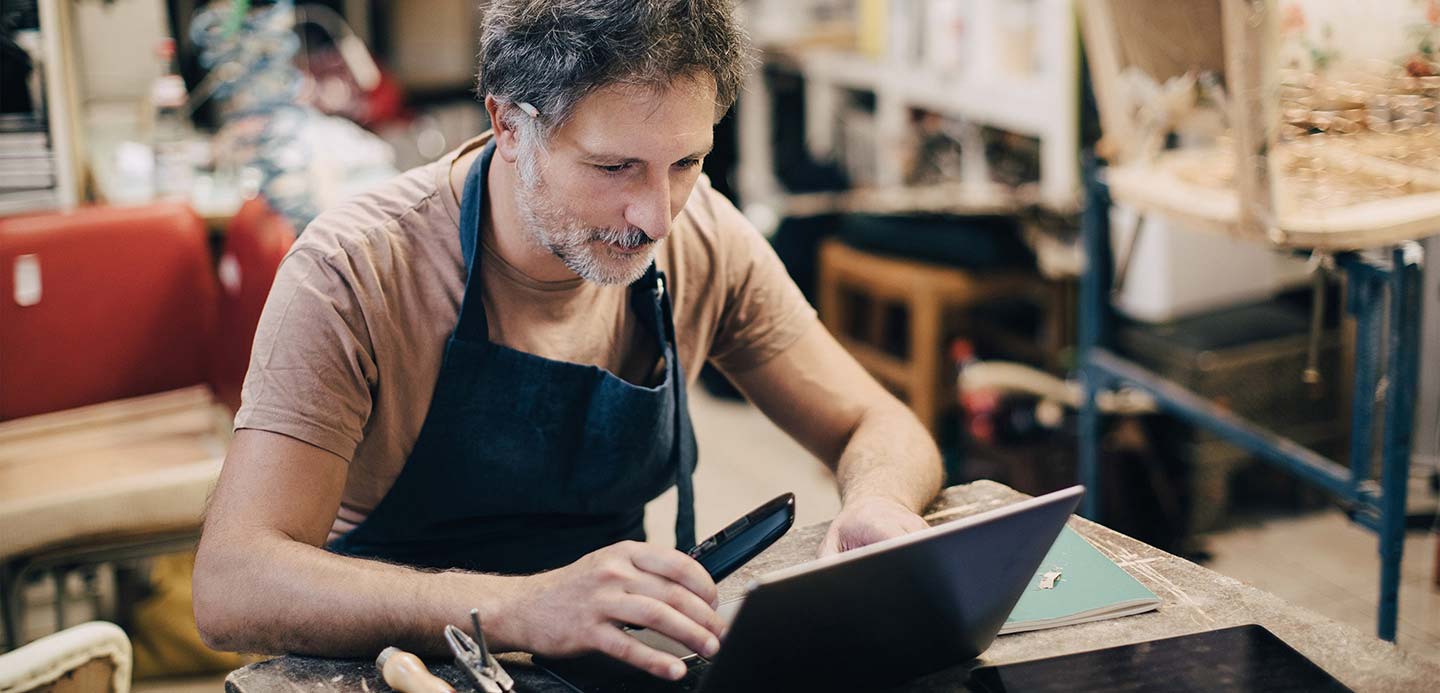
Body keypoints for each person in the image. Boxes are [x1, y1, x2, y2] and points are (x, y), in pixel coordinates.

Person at [193, 0, 942, 681]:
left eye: (686, 162)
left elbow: (877, 424)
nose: (654, 215)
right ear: (509, 126)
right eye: (613, 166)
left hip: (610, 655)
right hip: (397, 663)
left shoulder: (703, 234)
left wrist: (877, 500)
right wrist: (517, 607)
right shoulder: (355, 271)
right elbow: (234, 580)